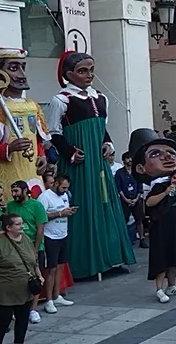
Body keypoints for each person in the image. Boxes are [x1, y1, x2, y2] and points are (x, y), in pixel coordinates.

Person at [44, 51, 135, 278]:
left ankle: (110, 258)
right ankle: (82, 264)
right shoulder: (61, 99)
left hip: (99, 162)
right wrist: (70, 152)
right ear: (68, 74)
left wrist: (108, 144)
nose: (89, 75)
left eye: (91, 70)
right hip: (78, 163)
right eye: (83, 71)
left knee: (105, 202)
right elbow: (53, 132)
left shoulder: (100, 97)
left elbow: (102, 128)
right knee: (82, 206)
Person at [128, 129, 176, 304]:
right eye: (155, 153)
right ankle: (159, 288)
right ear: (141, 167)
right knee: (162, 258)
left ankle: (172, 285)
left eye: (171, 153)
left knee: (175, 258)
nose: (167, 157)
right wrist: (167, 191)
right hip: (161, 228)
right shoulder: (159, 186)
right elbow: (150, 203)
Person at [0, 48, 50, 196]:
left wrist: (42, 155)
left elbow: (37, 138)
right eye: (14, 68)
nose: (22, 74)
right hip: (6, 174)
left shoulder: (34, 106)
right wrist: (8, 149)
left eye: (23, 67)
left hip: (32, 172)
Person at [0, 213, 42, 344]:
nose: (22, 226)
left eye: (22, 223)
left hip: (25, 287)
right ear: (8, 227)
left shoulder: (26, 239)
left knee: (22, 316)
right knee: (3, 319)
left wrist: (39, 275)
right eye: (18, 224)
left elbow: (33, 261)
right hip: (5, 289)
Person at [6, 181, 49, 324]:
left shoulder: (37, 206)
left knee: (35, 279)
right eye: (12, 191)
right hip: (15, 248)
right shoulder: (11, 205)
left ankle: (33, 309)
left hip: (34, 246)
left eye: (17, 191)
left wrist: (35, 250)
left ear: (25, 191)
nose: (14, 194)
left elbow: (40, 229)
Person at [36, 175, 77, 314]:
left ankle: (57, 295)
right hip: (50, 237)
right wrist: (60, 213)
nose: (65, 191)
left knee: (60, 266)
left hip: (63, 234)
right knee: (51, 269)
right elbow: (41, 216)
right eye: (63, 187)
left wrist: (68, 212)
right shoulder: (45, 197)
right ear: (56, 183)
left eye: (67, 188)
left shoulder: (64, 195)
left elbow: (64, 210)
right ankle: (48, 300)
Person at [114, 152, 145, 248]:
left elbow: (140, 186)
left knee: (139, 220)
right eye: (127, 158)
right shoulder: (119, 173)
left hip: (136, 199)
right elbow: (119, 188)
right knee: (124, 220)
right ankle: (124, 240)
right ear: (124, 161)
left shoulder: (137, 171)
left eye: (131, 158)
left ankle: (142, 239)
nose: (130, 160)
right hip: (124, 200)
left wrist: (136, 199)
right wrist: (126, 199)